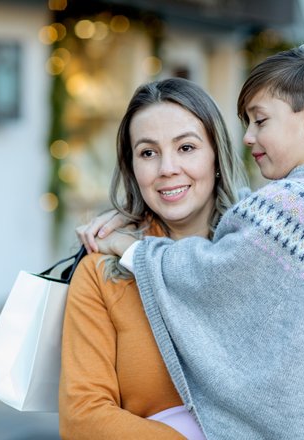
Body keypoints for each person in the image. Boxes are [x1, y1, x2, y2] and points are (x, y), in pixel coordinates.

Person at [86, 44, 304, 440]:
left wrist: (133, 248)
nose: (249, 137)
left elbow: (213, 274)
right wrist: (138, 214)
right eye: (247, 123)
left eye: (260, 120)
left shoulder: (290, 205)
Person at [58, 77, 248, 439]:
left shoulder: (257, 252)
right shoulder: (102, 273)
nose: (167, 168)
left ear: (216, 155)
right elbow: (82, 417)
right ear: (132, 169)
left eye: (186, 148)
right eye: (148, 153)